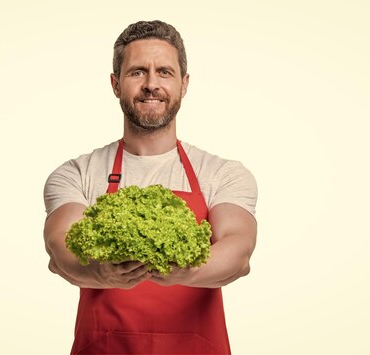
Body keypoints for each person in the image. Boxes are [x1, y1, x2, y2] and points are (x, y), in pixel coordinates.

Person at [43, 20, 258, 355]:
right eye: (137, 72)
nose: (151, 84)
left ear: (184, 84)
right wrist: (103, 272)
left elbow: (239, 251)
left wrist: (185, 270)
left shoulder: (220, 173)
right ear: (116, 84)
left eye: (165, 72)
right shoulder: (78, 173)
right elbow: (60, 249)